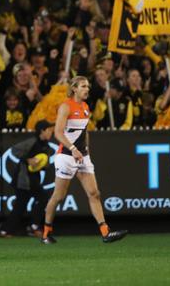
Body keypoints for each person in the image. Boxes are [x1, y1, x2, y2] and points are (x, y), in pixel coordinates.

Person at [41, 76, 127, 244]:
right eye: (83, 86)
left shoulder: (86, 107)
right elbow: (58, 133)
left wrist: (86, 151)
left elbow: (84, 132)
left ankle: (105, 232)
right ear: (74, 89)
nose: (87, 89)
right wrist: (73, 150)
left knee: (94, 193)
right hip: (66, 155)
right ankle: (45, 233)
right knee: (58, 196)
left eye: (88, 86)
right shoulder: (66, 106)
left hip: (82, 156)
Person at [0, 120, 56, 238]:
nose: (51, 132)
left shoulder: (47, 147)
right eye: (49, 130)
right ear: (42, 131)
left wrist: (41, 164)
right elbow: (14, 150)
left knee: (23, 204)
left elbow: (45, 166)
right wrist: (28, 159)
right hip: (23, 179)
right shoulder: (32, 142)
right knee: (38, 199)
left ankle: (6, 230)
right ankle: (31, 226)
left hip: (33, 179)